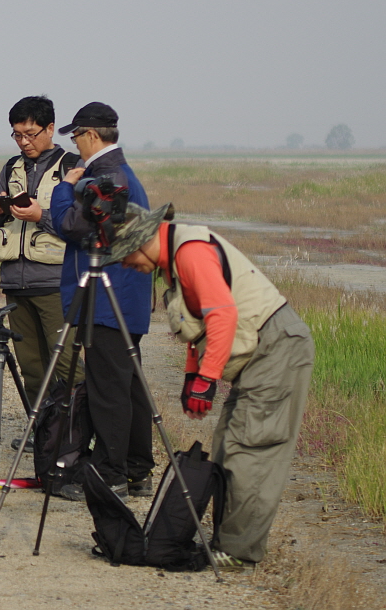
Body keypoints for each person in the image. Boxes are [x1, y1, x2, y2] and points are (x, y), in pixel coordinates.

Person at [107, 203, 313, 571]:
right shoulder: (174, 261)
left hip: (277, 350)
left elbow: (222, 314)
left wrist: (207, 378)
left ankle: (237, 552)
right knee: (227, 446)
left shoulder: (191, 252)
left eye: (125, 255)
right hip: (259, 356)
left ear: (144, 240)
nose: (125, 264)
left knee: (249, 450)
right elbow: (198, 323)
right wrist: (193, 374)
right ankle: (227, 543)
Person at [49, 102, 154, 500]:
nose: (75, 145)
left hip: (108, 300)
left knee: (108, 391)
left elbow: (71, 225)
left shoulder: (107, 177)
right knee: (129, 388)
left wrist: (64, 187)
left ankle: (110, 475)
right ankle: (136, 470)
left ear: (91, 135)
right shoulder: (122, 173)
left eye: (76, 136)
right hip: (125, 297)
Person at [0, 95, 81, 452]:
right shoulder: (11, 167)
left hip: (57, 284)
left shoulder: (72, 166)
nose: (23, 142)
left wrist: (41, 215)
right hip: (16, 283)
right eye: (17, 135)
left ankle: (75, 437)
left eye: (30, 133)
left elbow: (80, 225)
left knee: (68, 365)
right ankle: (43, 434)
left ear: (50, 128)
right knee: (32, 367)